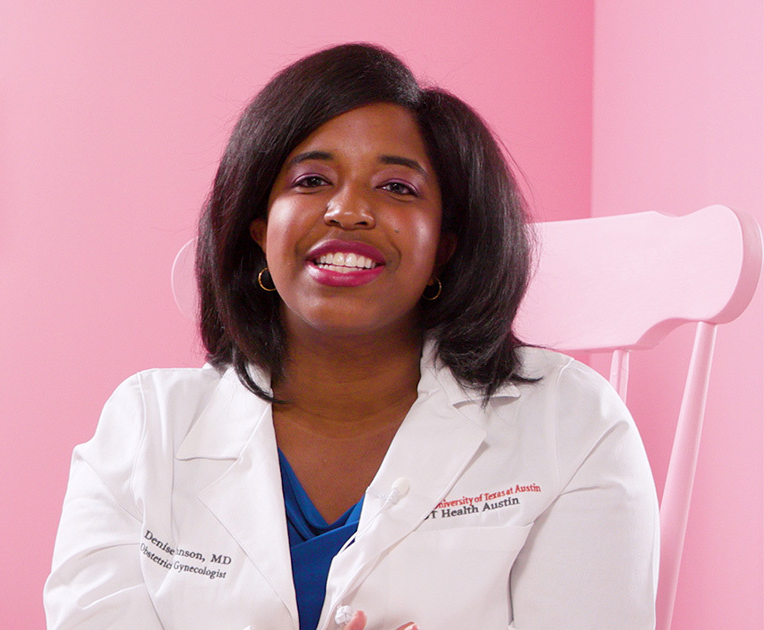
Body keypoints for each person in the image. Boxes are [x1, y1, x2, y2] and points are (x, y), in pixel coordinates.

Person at [44, 43, 658, 630]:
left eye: (397, 188)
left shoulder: (571, 423)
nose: (348, 210)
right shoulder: (146, 428)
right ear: (259, 227)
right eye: (310, 181)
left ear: (445, 244)